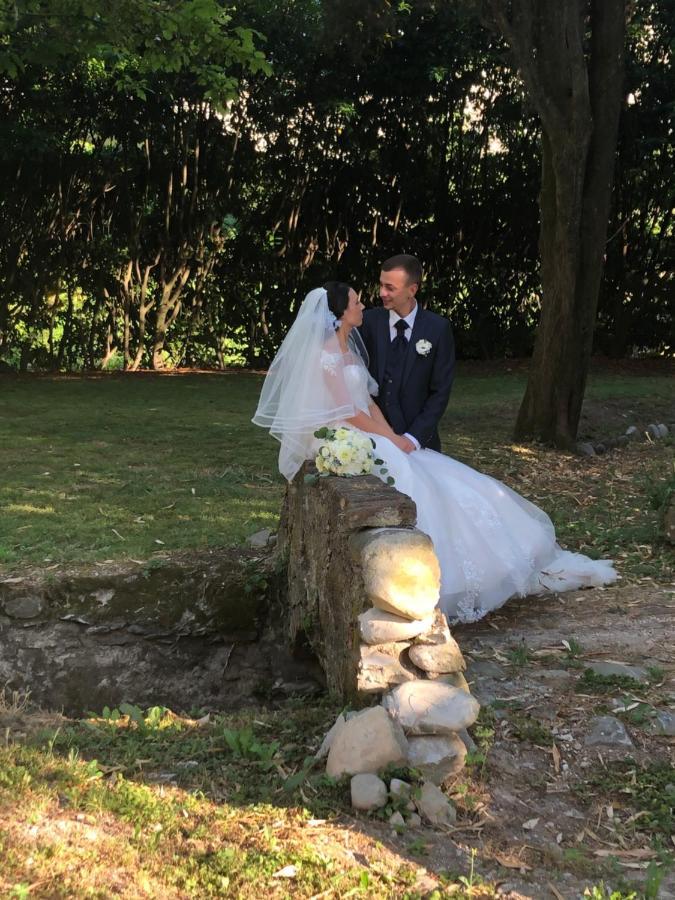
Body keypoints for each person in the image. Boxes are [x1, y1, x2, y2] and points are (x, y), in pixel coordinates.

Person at [252, 283, 618, 623]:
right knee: (412, 477)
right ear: (339, 313)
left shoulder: (350, 349)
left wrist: (393, 434)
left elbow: (368, 401)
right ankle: (443, 578)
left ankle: (505, 557)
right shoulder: (327, 355)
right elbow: (349, 413)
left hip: (372, 430)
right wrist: (388, 440)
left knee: (441, 475)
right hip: (352, 433)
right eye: (355, 301)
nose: (362, 304)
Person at [358, 254, 454, 453]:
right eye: (381, 285)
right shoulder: (367, 322)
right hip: (371, 440)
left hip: (419, 442)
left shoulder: (438, 328)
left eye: (390, 288)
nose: (382, 293)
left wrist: (413, 438)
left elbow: (440, 392)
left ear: (412, 289)